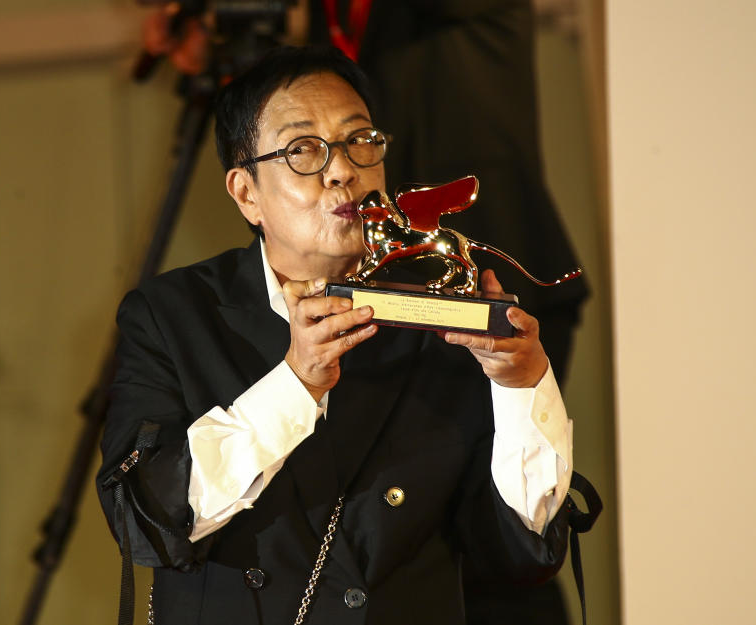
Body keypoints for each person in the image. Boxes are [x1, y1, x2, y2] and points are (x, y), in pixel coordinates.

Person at [97, 46, 574, 625]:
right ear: (247, 194)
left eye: (360, 142)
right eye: (303, 150)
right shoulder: (173, 317)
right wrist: (296, 384)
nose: (342, 170)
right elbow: (148, 522)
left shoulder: (439, 317)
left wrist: (523, 385)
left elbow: (519, 551)